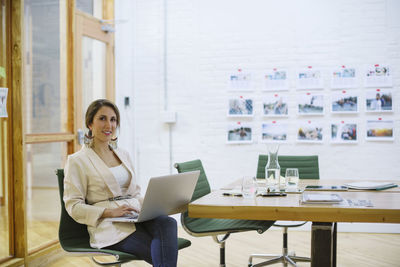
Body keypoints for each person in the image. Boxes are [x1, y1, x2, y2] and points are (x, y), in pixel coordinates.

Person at [63, 99, 178, 267]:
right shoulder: (77, 160)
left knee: (168, 222)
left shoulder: (123, 154)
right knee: (163, 252)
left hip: (135, 215)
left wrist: (152, 206)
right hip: (109, 225)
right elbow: (73, 206)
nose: (108, 125)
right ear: (90, 123)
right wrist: (109, 212)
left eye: (113, 119)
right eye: (102, 118)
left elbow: (135, 193)